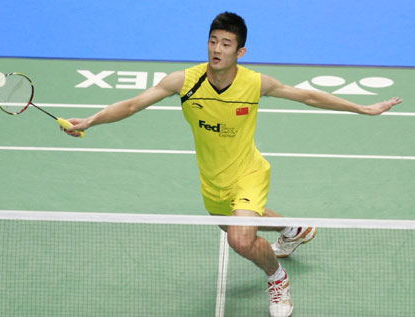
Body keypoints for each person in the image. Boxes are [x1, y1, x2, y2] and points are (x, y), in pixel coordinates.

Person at [65, 12, 403, 317]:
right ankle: (295, 228)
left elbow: (308, 96)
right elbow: (132, 105)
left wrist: (362, 109)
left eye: (226, 43)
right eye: (213, 41)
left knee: (241, 240)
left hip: (249, 174)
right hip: (213, 182)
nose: (217, 49)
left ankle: (278, 280)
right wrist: (91, 121)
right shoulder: (185, 82)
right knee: (238, 227)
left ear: (240, 52)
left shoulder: (254, 84)